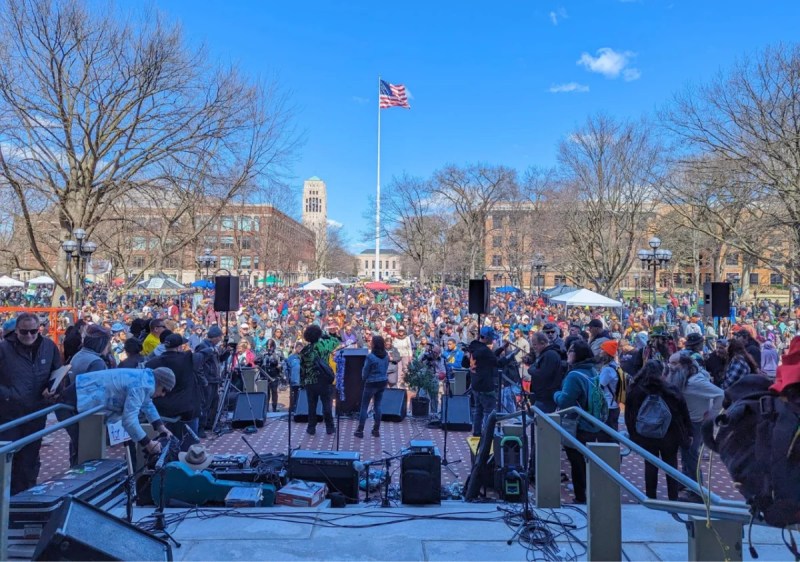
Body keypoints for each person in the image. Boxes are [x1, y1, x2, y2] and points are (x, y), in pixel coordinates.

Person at [0, 313, 62, 494]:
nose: (29, 335)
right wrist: (9, 395)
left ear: (39, 330)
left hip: (37, 412)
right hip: (9, 413)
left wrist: (54, 390)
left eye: (33, 331)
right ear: (16, 331)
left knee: (30, 458)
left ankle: (26, 495)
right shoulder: (3, 349)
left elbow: (58, 372)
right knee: (8, 458)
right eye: (24, 332)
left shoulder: (49, 346)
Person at [60, 367, 176, 460]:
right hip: (72, 400)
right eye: (164, 390)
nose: (163, 395)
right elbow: (129, 421)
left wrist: (161, 428)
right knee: (83, 447)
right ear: (159, 383)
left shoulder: (145, 379)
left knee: (85, 445)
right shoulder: (141, 385)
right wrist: (148, 443)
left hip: (79, 395)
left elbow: (147, 404)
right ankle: (75, 480)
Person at [624, 360, 691, 501]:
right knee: (671, 466)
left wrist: (633, 434)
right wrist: (688, 432)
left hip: (646, 434)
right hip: (670, 434)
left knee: (650, 465)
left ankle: (651, 499)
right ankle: (673, 499)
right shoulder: (671, 390)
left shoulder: (635, 390)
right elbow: (684, 413)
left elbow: (629, 415)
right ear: (662, 372)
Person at [665, 351, 723, 501]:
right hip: (686, 421)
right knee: (686, 455)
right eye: (670, 363)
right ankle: (687, 482)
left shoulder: (695, 381)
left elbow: (720, 394)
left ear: (684, 365)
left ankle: (698, 492)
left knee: (691, 456)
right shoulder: (685, 378)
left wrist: (712, 414)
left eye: (674, 364)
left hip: (694, 423)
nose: (671, 367)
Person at [554, 340, 603, 504]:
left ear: (578, 355)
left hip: (577, 424)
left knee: (576, 461)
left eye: (571, 351)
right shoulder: (593, 370)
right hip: (593, 421)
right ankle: (591, 492)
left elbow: (564, 401)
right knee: (586, 459)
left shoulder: (574, 375)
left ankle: (580, 496)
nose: (568, 353)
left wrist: (556, 394)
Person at [145, 334, 202, 445]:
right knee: (190, 446)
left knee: (165, 443)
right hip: (187, 410)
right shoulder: (187, 358)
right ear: (179, 347)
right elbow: (204, 354)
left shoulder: (152, 363)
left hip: (162, 411)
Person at [300, 324, 340, 436]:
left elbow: (302, 368)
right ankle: (330, 427)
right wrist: (326, 335)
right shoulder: (325, 345)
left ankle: (311, 428)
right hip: (324, 380)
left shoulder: (305, 350)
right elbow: (336, 341)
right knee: (327, 404)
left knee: (312, 406)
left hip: (310, 381)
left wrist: (302, 382)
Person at [462, 326, 498, 437]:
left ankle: (477, 432)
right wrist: (511, 356)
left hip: (475, 384)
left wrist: (501, 349)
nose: (493, 340)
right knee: (489, 411)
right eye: (491, 338)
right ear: (486, 338)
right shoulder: (485, 350)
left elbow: (465, 364)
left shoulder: (473, 347)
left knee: (478, 409)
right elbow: (498, 363)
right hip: (485, 386)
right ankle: (487, 434)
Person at [193, 325, 226, 435]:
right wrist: (203, 380)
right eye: (220, 337)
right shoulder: (203, 346)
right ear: (215, 337)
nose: (220, 340)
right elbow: (198, 364)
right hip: (208, 380)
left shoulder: (213, 347)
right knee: (205, 404)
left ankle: (209, 424)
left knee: (213, 404)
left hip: (214, 379)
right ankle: (200, 428)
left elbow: (219, 360)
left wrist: (227, 353)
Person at [355, 335, 389, 438]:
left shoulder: (370, 357)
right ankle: (376, 430)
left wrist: (363, 378)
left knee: (364, 406)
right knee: (377, 405)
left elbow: (365, 371)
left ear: (374, 344)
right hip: (382, 381)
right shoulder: (386, 355)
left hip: (371, 383)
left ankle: (360, 430)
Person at [597, 340, 621, 431]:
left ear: (607, 353)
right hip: (614, 404)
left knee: (606, 433)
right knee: (613, 432)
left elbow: (599, 386)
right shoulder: (615, 366)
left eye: (602, 350)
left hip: (608, 406)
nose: (600, 352)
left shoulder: (607, 370)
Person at [285, 341, 303, 412]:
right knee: (293, 396)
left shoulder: (305, 357)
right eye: (298, 347)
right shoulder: (291, 357)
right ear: (295, 348)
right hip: (293, 380)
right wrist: (288, 379)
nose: (299, 349)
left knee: (300, 395)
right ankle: (292, 409)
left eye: (301, 347)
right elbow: (287, 369)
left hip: (302, 381)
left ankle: (299, 409)